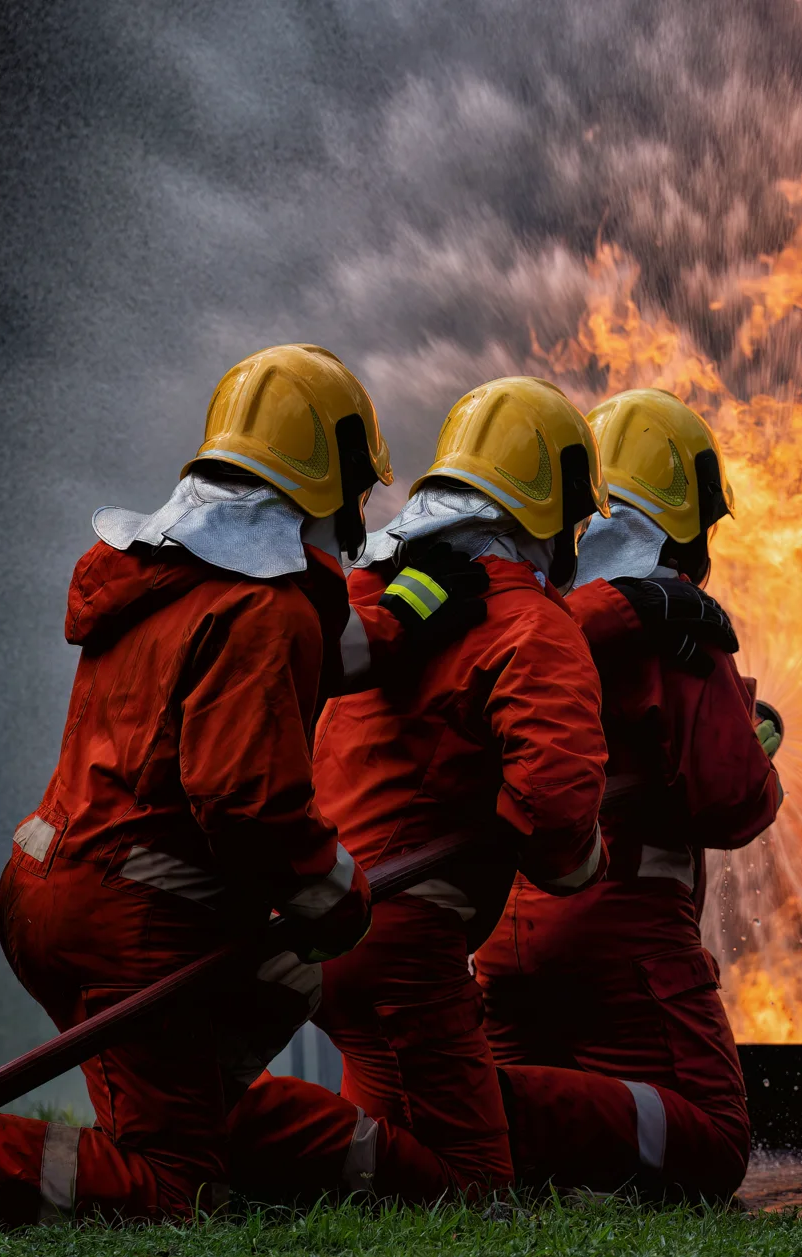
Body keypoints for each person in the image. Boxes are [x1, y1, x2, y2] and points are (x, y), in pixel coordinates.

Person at [0, 344, 485, 1227]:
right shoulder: (266, 609)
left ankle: (185, 1122)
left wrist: (417, 601)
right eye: (358, 492)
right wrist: (337, 889)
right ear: (329, 478)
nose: (360, 521)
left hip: (50, 886)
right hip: (132, 923)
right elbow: (247, 803)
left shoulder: (172, 576)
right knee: (175, 1188)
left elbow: (329, 651)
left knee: (266, 1007)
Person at [226, 376, 614, 1204]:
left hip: (326, 918)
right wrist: (583, 859)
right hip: (403, 947)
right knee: (474, 1186)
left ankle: (229, 1143)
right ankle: (222, 1133)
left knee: (391, 1163)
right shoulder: (534, 623)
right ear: (552, 510)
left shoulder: (377, 593)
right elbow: (557, 810)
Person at [475, 387, 783, 1201]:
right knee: (712, 1136)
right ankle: (490, 1106)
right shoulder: (676, 624)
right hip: (623, 930)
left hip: (506, 927)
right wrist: (755, 752)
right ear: (687, 521)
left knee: (541, 1126)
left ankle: (477, 1106)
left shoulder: (534, 610)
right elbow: (732, 801)